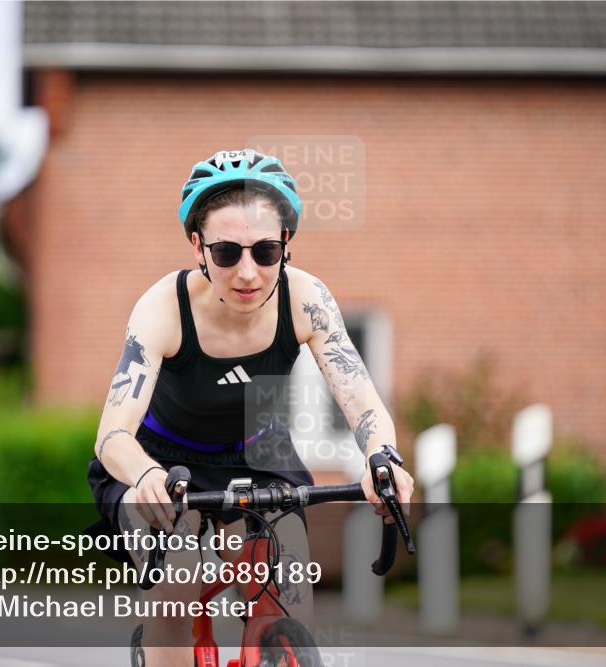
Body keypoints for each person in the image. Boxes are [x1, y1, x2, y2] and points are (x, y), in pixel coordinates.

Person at [87, 148, 414, 667]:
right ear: (197, 246)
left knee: (288, 601)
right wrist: (146, 475)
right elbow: (111, 436)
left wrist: (382, 457)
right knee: (177, 585)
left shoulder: (306, 298)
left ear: (286, 245)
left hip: (259, 449)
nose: (247, 273)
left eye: (264, 251)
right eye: (226, 253)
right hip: (160, 461)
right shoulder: (162, 308)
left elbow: (362, 399)